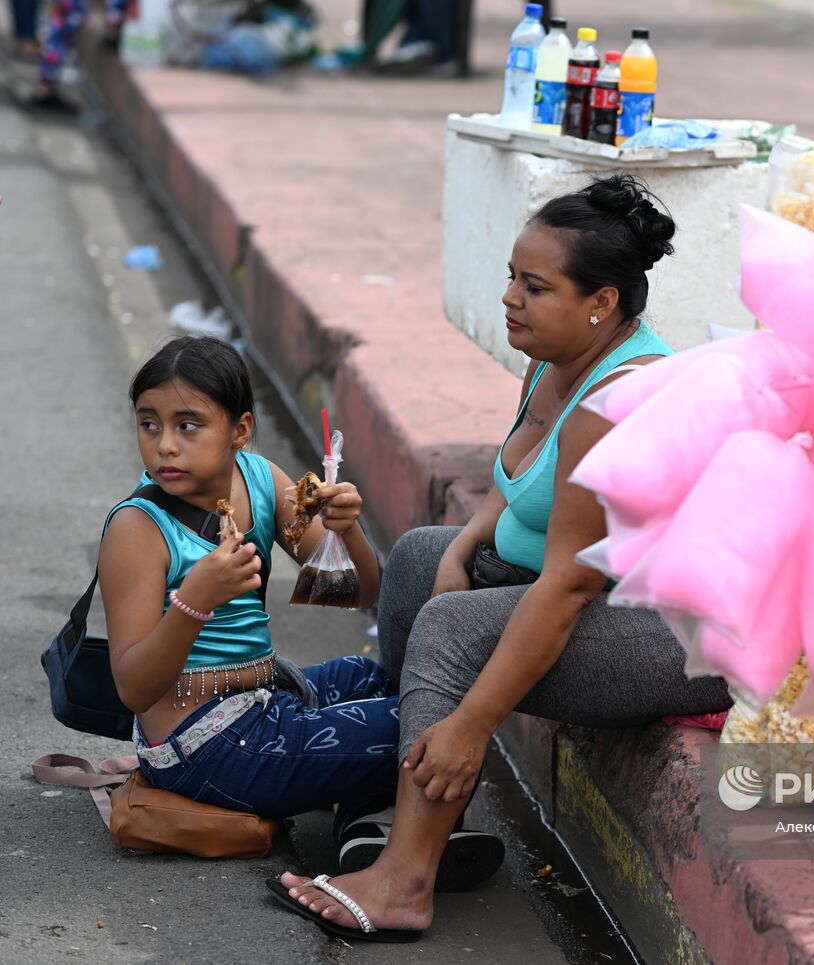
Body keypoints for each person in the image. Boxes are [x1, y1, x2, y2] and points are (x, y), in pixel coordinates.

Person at [269, 175, 732, 943]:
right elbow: (520, 482)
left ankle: (406, 878)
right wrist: (464, 541)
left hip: (678, 637)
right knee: (421, 559)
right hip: (594, 592)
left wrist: (469, 725)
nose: (512, 297)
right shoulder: (554, 359)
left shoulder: (615, 403)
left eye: (536, 285)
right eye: (512, 277)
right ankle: (393, 786)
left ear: (602, 302)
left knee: (452, 627)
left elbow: (567, 586)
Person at [99, 337, 467, 865]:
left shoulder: (260, 479)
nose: (165, 446)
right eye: (148, 423)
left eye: (187, 425)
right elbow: (134, 688)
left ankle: (363, 827)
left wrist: (348, 530)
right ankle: (388, 825)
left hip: (265, 698)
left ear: (241, 431)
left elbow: (358, 594)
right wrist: (194, 602)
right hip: (204, 745)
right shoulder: (138, 528)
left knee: (384, 683)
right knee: (433, 726)